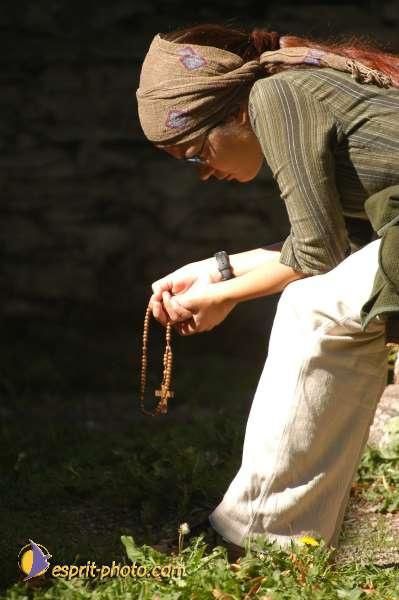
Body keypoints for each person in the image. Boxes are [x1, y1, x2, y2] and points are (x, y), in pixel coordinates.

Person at [136, 24, 399, 555]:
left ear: (230, 112)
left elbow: (318, 255)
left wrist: (221, 295)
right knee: (320, 301)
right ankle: (267, 535)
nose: (203, 174)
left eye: (193, 153)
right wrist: (222, 272)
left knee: (314, 308)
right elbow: (330, 244)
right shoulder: (292, 86)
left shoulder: (275, 96)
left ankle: (259, 541)